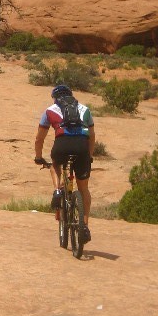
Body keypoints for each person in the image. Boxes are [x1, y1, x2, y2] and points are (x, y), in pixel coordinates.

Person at [34, 84, 95, 242]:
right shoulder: (85, 109)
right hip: (82, 147)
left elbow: (39, 138)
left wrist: (38, 157)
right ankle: (84, 226)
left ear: (55, 98)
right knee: (84, 189)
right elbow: (92, 136)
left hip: (62, 146)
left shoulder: (50, 110)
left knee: (54, 164)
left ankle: (57, 190)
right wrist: (89, 155)